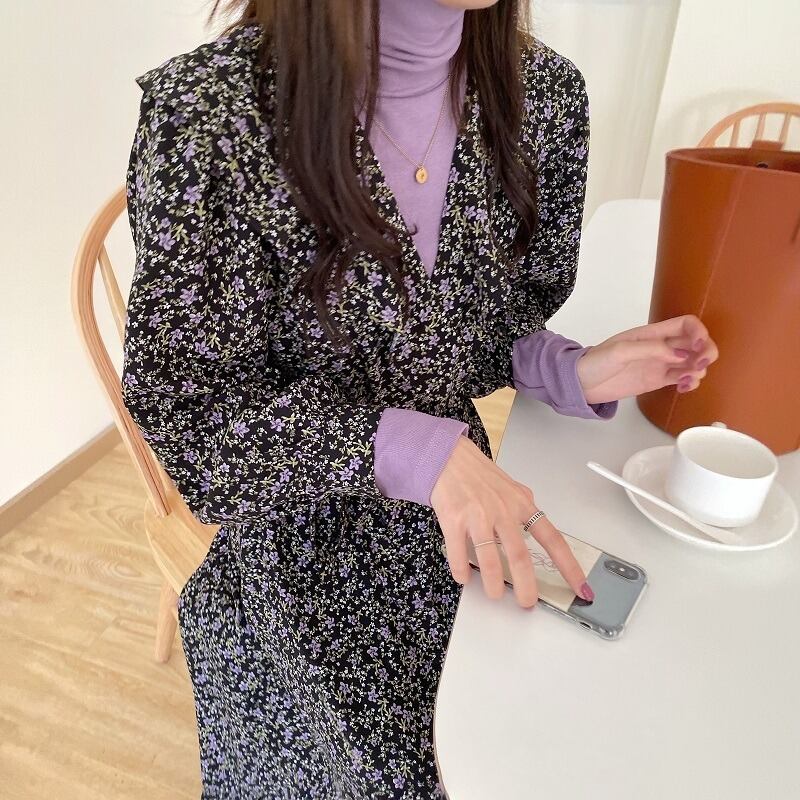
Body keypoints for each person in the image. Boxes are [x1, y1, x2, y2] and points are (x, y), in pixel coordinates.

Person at [121, 0, 718, 796]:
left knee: (602, 717)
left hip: (458, 508)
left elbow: (470, 327)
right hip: (295, 534)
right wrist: (418, 452)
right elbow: (197, 419)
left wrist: (569, 372)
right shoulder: (213, 118)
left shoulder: (541, 97)